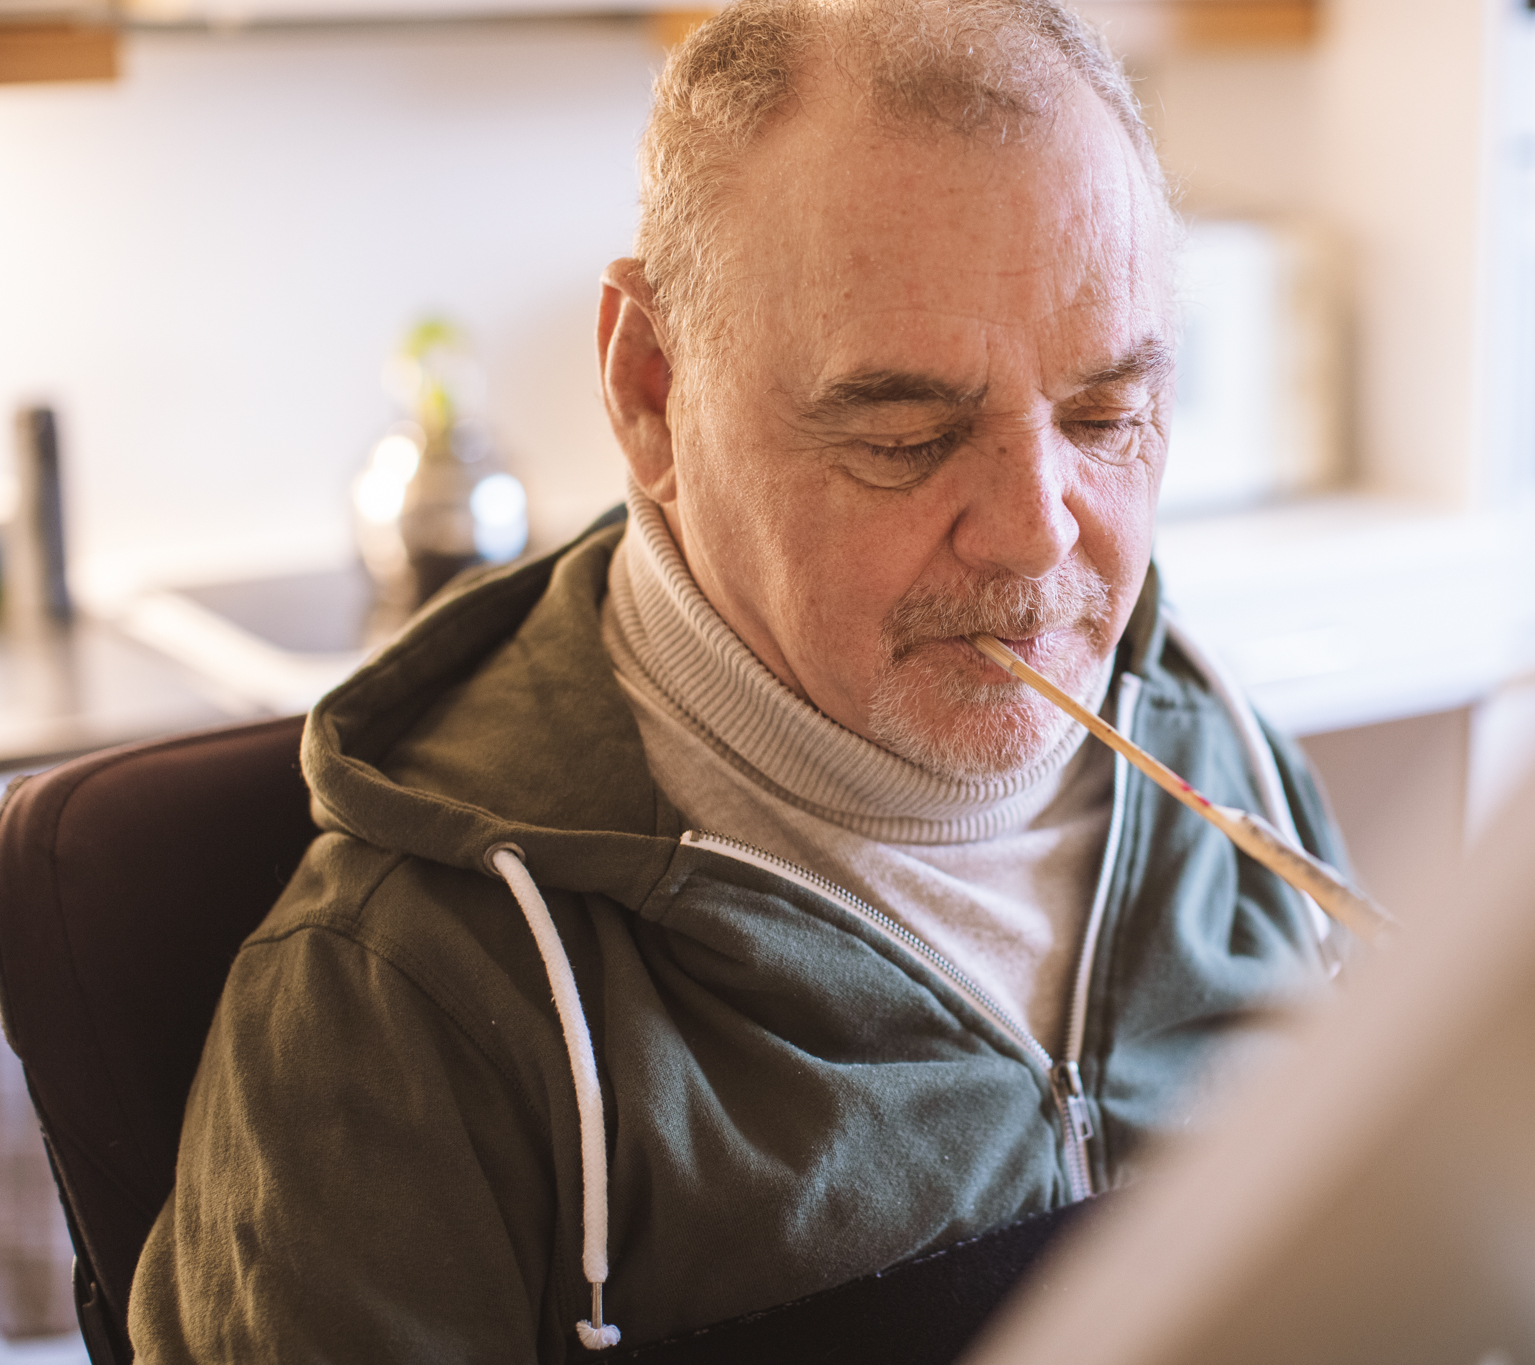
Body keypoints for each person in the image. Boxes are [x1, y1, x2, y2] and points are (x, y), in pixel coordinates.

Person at [129, 0, 1347, 1358]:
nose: (1038, 534)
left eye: (1107, 417)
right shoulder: (401, 1002)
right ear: (651, 391)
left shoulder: (1222, 752)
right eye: (903, 433)